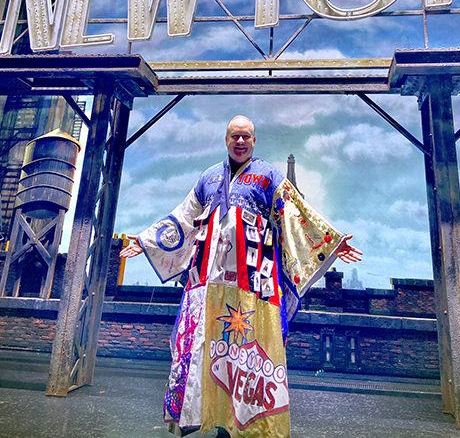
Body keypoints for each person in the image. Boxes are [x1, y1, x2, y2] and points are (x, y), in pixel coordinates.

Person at [120, 115, 362, 438]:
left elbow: (296, 214)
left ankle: (245, 427)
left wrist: (330, 242)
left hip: (251, 291)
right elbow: (184, 217)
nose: (240, 141)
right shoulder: (207, 178)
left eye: (246, 136)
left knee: (245, 358)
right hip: (206, 289)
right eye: (235, 135)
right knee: (204, 354)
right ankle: (212, 419)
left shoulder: (267, 177)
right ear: (226, 139)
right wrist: (145, 241)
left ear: (254, 141)